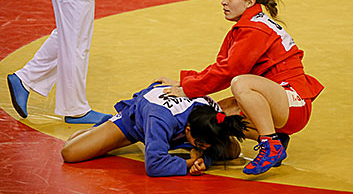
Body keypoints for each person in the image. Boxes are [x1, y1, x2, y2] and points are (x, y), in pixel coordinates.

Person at [159, 0, 324, 175]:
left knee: (241, 84)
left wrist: (187, 89)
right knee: (217, 116)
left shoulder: (255, 29)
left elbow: (229, 72)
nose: (223, 2)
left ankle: (270, 143)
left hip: (292, 103)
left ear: (250, 2)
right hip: (281, 99)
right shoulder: (247, 25)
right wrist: (184, 82)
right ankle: (277, 139)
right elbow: (220, 66)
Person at [61, 82, 247, 177]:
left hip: (172, 118)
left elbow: (233, 149)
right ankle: (106, 123)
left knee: (232, 151)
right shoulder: (159, 119)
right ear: (187, 130)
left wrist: (205, 159)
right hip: (135, 122)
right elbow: (154, 166)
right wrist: (190, 162)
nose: (204, 147)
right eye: (200, 144)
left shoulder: (212, 114)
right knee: (71, 152)